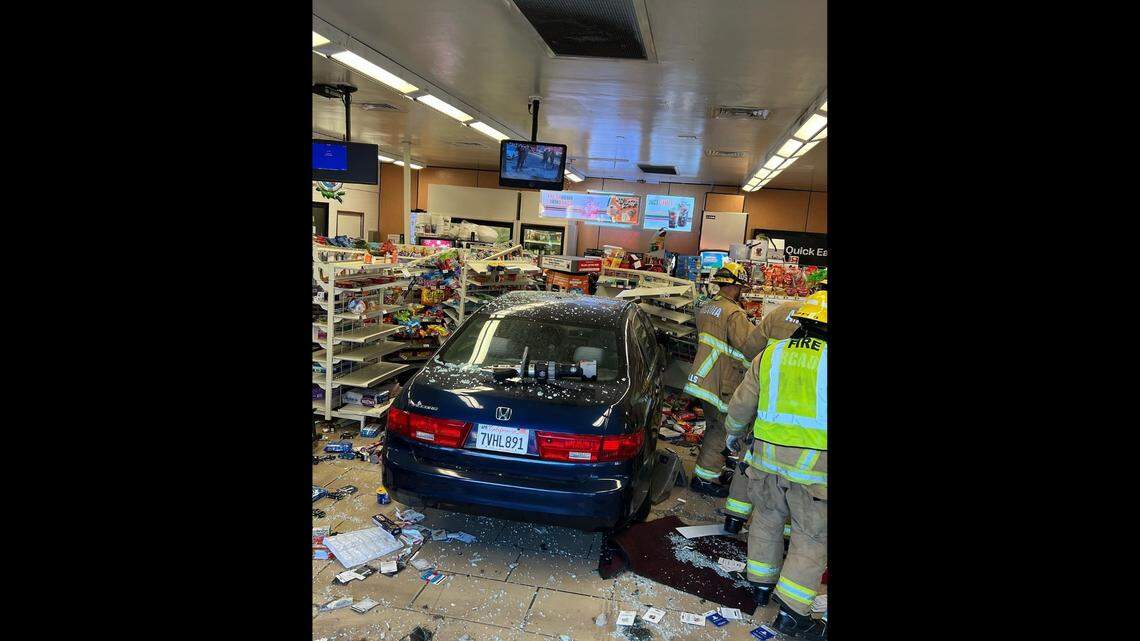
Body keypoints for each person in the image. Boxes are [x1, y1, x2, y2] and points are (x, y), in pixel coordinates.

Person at [723, 290, 828, 639]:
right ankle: (793, 615)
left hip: (765, 463)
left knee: (766, 522)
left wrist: (733, 436)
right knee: (810, 539)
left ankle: (760, 587)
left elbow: (741, 406)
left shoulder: (770, 356)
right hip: (814, 473)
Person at [683, 262, 768, 497]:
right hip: (722, 381)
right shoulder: (734, 313)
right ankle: (705, 479)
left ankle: (707, 472)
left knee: (713, 426)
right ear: (734, 286)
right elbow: (749, 347)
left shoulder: (708, 307)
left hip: (704, 377)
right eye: (740, 287)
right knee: (720, 429)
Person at [721, 300, 805, 533]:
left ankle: (734, 517)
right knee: (797, 474)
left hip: (767, 400)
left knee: (749, 456)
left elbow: (750, 348)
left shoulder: (780, 312)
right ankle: (787, 532)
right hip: (806, 414)